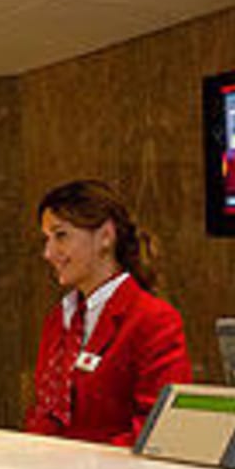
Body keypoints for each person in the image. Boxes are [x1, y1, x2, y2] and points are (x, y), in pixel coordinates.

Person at [23, 179, 191, 447]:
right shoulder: (59, 319)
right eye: (47, 239)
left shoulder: (153, 319)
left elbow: (159, 427)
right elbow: (45, 415)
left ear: (105, 236)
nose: (48, 253)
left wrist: (81, 463)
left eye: (61, 236)